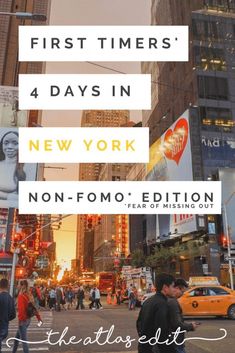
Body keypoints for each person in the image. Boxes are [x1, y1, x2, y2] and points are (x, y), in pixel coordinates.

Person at [136, 273, 176, 353]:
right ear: (165, 287)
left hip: (144, 346)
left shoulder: (148, 301)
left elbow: (138, 324)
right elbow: (162, 331)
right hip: (156, 349)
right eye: (172, 286)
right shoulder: (162, 304)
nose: (174, 289)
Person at [168, 279, 198, 353]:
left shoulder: (167, 300)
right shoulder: (172, 302)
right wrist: (191, 326)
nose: (182, 294)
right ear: (177, 288)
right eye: (182, 291)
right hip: (176, 341)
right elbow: (177, 323)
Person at [12, 280, 42, 353]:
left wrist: (20, 321)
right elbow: (34, 308)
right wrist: (39, 318)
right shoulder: (29, 295)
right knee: (16, 339)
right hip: (28, 320)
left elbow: (21, 311)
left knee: (24, 341)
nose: (17, 286)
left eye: (18, 284)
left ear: (22, 286)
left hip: (23, 321)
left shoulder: (21, 296)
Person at [0, 130, 26, 201]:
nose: (10, 147)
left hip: (11, 209)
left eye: (15, 143)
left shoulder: (24, 169)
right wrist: (8, 196)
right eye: (6, 143)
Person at [0, 278, 16, 353]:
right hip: (4, 326)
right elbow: (13, 315)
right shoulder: (10, 298)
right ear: (8, 286)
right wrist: (6, 318)